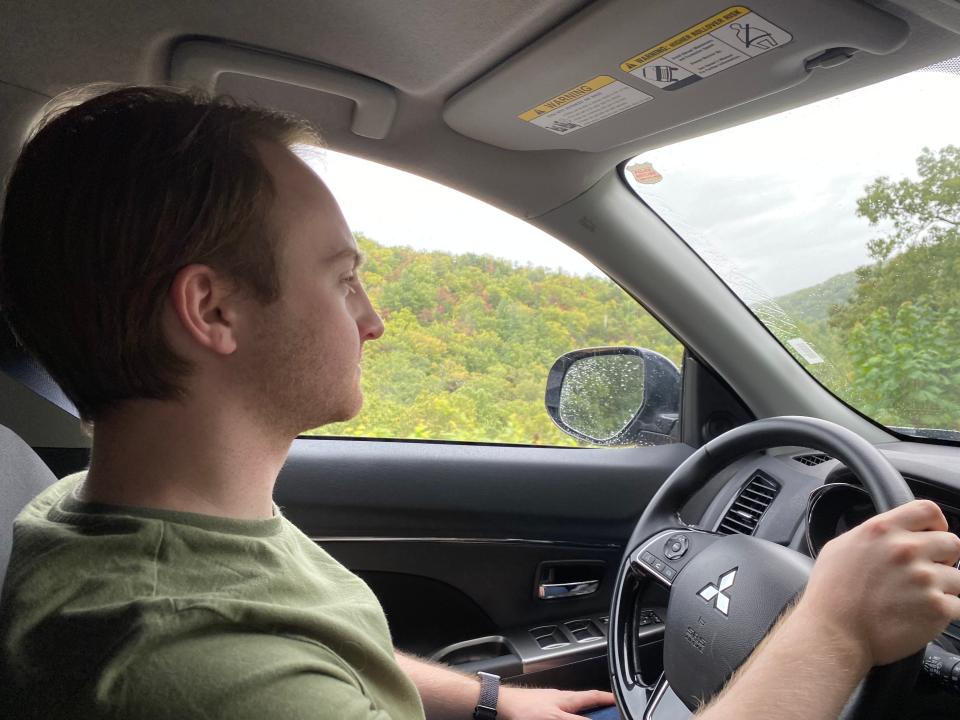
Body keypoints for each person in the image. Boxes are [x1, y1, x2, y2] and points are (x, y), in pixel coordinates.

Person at [0, 84, 958, 720]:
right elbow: (248, 668)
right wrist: (832, 627)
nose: (371, 320)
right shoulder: (192, 677)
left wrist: (490, 703)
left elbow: (311, 651)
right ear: (211, 310)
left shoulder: (105, 514)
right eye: (340, 280)